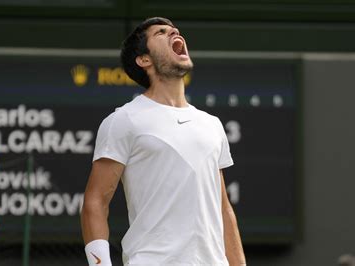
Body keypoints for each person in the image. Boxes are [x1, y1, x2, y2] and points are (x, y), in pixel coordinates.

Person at [80, 17, 246, 266]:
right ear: (144, 60)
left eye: (175, 30)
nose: (174, 32)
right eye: (161, 32)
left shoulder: (212, 124)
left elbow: (224, 210)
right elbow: (95, 203)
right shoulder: (123, 120)